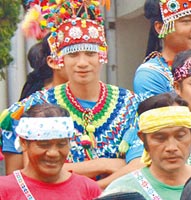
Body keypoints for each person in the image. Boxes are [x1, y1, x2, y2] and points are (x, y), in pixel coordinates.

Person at [1, 5, 143, 182]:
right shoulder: (37, 105)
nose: (82, 62)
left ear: (102, 56)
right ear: (58, 60)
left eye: (90, 53)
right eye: (73, 54)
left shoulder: (130, 103)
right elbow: (29, 170)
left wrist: (96, 188)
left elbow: (140, 163)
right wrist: (104, 164)